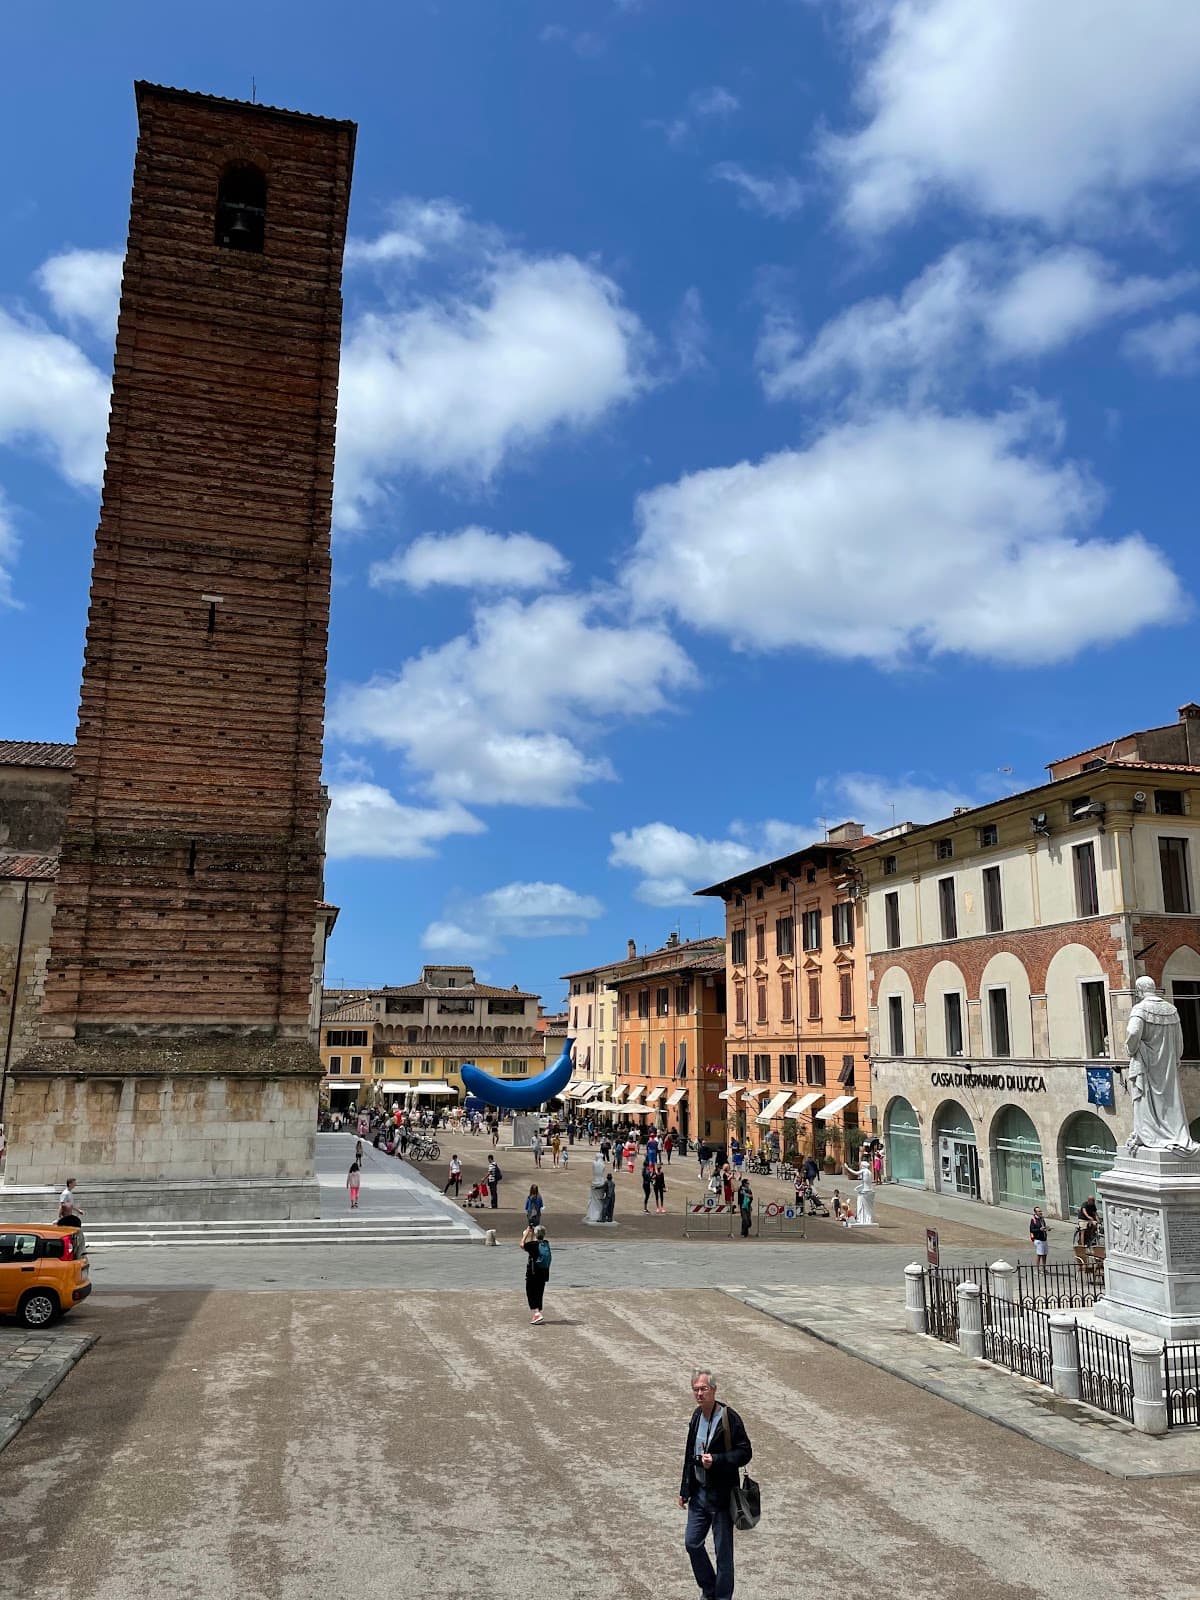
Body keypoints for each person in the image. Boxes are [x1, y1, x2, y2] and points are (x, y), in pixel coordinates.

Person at [679, 1367, 752, 1600]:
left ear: (714, 1390)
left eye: (704, 1389)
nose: (699, 1394)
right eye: (696, 1390)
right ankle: (709, 1588)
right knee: (692, 1543)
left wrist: (717, 1461)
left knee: (723, 1555)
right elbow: (689, 1455)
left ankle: (722, 1597)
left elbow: (745, 1452)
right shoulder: (696, 1415)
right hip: (699, 1495)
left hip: (722, 1498)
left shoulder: (729, 1418)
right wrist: (684, 1489)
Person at [521, 1222, 551, 1325]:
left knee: (530, 1292)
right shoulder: (546, 1243)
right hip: (543, 1273)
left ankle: (537, 1313)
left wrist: (526, 1234)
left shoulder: (533, 1245)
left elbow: (522, 1245)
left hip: (533, 1273)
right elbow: (534, 1243)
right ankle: (537, 1312)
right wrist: (533, 1233)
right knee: (539, 1292)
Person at [1030, 1205, 1049, 1269]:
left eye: (1041, 1211)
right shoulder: (1033, 1220)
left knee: (1045, 1254)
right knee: (1039, 1254)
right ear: (1035, 1212)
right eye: (1039, 1211)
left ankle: (1044, 1268)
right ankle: (1037, 1269)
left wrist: (1047, 1229)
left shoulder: (1042, 1219)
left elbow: (1044, 1227)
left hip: (1044, 1239)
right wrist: (1039, 1229)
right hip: (1038, 1240)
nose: (1040, 1212)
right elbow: (1032, 1230)